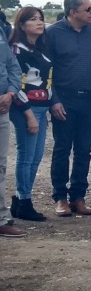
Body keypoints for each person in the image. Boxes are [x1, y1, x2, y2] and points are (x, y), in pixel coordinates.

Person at [45, 0, 91, 217]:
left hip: (89, 99)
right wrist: (54, 100)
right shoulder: (52, 34)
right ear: (73, 12)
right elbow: (46, 70)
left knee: (84, 150)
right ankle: (60, 197)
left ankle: (78, 197)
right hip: (64, 100)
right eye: (88, 9)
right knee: (62, 149)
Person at [8, 7, 55, 222]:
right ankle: (24, 201)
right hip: (25, 107)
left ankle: (20, 199)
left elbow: (48, 80)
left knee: (36, 157)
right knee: (26, 156)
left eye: (41, 18)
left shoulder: (41, 48)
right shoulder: (17, 50)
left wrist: (51, 102)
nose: (39, 22)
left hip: (41, 105)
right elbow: (16, 84)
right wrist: (28, 114)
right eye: (33, 19)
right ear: (21, 24)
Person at [1, 22, 27, 237]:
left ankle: (1, 218)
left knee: (0, 167)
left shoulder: (0, 31)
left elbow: (13, 67)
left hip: (2, 107)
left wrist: (10, 93)